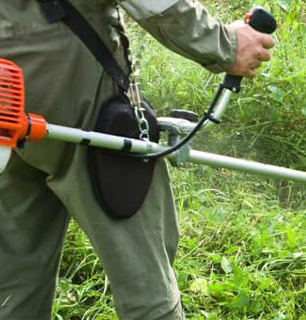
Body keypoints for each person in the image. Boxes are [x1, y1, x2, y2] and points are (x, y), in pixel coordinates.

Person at [0, 1, 275, 319]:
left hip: (9, 73)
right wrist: (226, 45)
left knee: (15, 271)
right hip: (69, 70)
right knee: (143, 269)